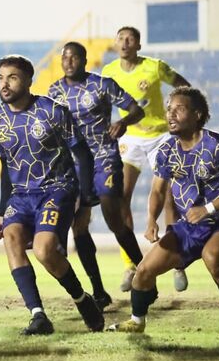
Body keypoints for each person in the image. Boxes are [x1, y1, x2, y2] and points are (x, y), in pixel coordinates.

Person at [109, 87, 219, 336]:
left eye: (179, 109)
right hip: (191, 225)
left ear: (197, 115)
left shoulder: (217, 146)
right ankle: (137, 322)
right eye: (169, 109)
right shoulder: (167, 151)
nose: (171, 114)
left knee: (212, 257)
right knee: (143, 272)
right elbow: (158, 191)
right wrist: (151, 220)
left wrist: (209, 208)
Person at [0, 55, 104, 335]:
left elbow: (83, 154)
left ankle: (81, 299)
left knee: (44, 251)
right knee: (11, 240)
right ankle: (38, 316)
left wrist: (85, 199)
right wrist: (2, 213)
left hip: (57, 188)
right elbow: (6, 167)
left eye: (12, 77)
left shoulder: (52, 111)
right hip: (21, 195)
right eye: (1, 77)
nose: (5, 84)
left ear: (28, 81)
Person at [48, 42, 146, 310]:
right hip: (74, 163)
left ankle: (144, 271)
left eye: (74, 57)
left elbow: (138, 110)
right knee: (78, 225)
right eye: (64, 57)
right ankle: (99, 291)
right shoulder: (54, 91)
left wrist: (123, 122)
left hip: (104, 156)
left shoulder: (103, 84)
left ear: (84, 60)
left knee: (112, 215)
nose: (68, 62)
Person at [102, 26, 191, 292]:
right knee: (121, 198)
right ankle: (131, 264)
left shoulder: (155, 67)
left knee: (169, 198)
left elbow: (182, 84)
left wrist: (174, 109)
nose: (125, 43)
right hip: (131, 137)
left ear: (139, 45)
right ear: (116, 43)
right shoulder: (108, 72)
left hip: (161, 136)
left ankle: (177, 262)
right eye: (121, 39)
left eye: (131, 39)